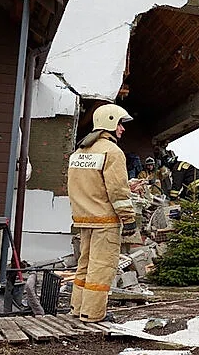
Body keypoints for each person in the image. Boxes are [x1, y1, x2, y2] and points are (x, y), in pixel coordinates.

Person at [67, 104, 137, 323]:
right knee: (101, 268)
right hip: (105, 221)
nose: (122, 129)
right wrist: (128, 218)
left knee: (84, 266)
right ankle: (93, 314)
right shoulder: (112, 152)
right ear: (108, 122)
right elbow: (117, 191)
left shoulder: (79, 152)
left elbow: (88, 185)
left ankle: (77, 309)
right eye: (119, 123)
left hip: (84, 219)